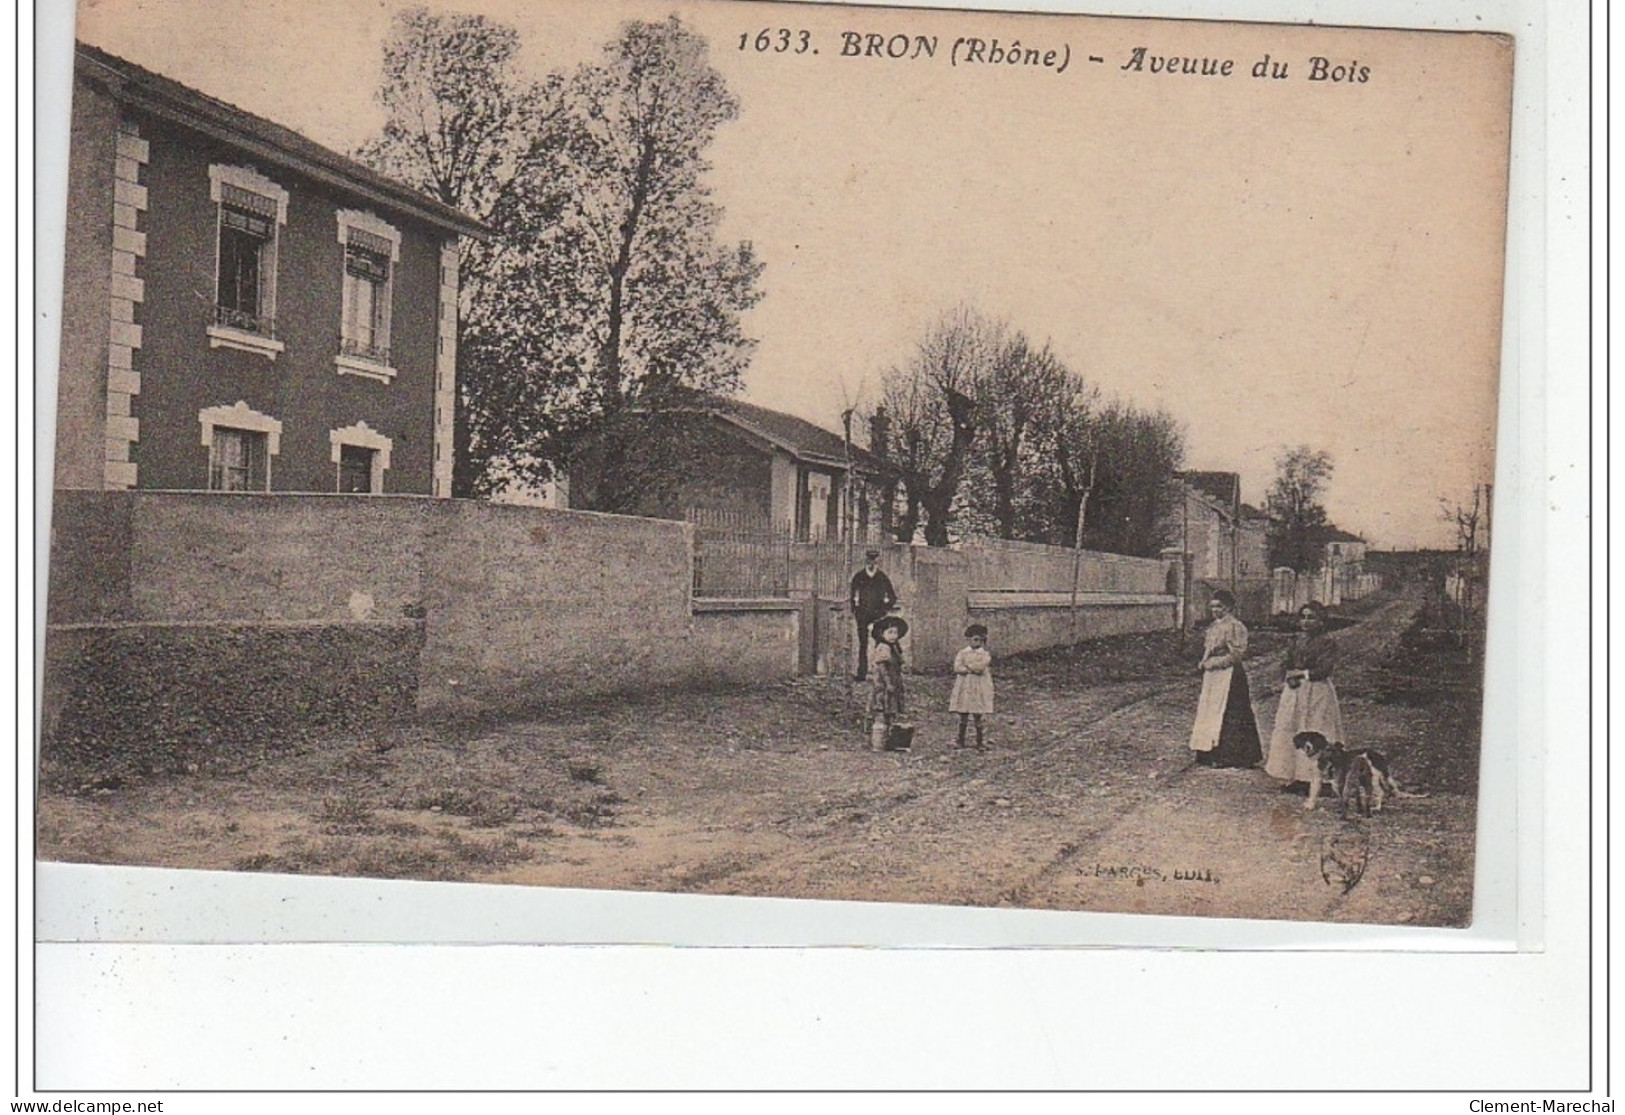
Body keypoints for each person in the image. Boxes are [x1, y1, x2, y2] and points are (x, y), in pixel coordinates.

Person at [1265, 601, 1345, 788]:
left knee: (1316, 728)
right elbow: (1285, 662)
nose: (1306, 622)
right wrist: (1288, 676)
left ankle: (1318, 778)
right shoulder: (1295, 640)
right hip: (1295, 691)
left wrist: (1301, 674)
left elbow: (1324, 669)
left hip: (1317, 691)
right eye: (1303, 617)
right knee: (1291, 727)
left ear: (1321, 621)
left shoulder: (1327, 643)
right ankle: (1293, 774)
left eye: (1311, 618)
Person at [1187, 589, 1264, 768]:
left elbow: (1236, 654)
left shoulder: (1235, 626)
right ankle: (1208, 752)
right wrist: (1203, 662)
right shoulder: (1213, 626)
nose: (1215, 610)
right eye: (1213, 606)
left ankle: (1232, 756)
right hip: (1212, 677)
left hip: (1230, 675)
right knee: (1210, 710)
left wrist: (1215, 664)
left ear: (1229, 607)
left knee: (1230, 712)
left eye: (1219, 607)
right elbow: (1209, 649)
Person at [849, 548, 898, 681]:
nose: (871, 563)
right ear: (866, 560)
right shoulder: (859, 576)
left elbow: (893, 597)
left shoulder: (882, 577)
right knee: (863, 644)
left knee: (880, 643)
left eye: (874, 560)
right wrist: (855, 610)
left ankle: (879, 674)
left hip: (878, 615)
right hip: (863, 615)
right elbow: (852, 595)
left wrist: (884, 609)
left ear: (877, 562)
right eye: (869, 560)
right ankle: (862, 673)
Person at [866, 616, 908, 751]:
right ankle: (878, 742)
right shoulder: (883, 647)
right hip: (883, 685)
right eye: (890, 632)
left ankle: (889, 741)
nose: (893, 636)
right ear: (882, 634)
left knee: (890, 711)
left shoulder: (894, 647)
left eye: (895, 633)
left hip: (894, 683)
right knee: (881, 711)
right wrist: (888, 683)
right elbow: (882, 668)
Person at [950, 623, 994, 749]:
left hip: (979, 687)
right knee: (963, 713)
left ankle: (979, 741)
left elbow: (980, 668)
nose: (977, 642)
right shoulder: (962, 653)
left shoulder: (984, 654)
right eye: (975, 639)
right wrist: (970, 667)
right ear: (968, 639)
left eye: (980, 640)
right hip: (965, 686)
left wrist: (968, 666)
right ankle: (960, 740)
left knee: (978, 714)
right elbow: (957, 667)